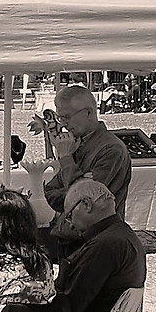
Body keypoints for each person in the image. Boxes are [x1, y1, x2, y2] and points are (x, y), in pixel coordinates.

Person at [52, 178, 146, 312]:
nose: (70, 224)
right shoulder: (122, 234)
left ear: (87, 204)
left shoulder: (105, 244)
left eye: (70, 215)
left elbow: (72, 303)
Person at [39, 84, 130, 225]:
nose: (63, 124)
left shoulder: (111, 149)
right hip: (72, 235)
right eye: (60, 118)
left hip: (99, 236)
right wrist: (76, 183)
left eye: (67, 117)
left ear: (88, 113)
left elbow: (85, 200)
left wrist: (66, 159)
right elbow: (50, 191)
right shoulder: (77, 143)